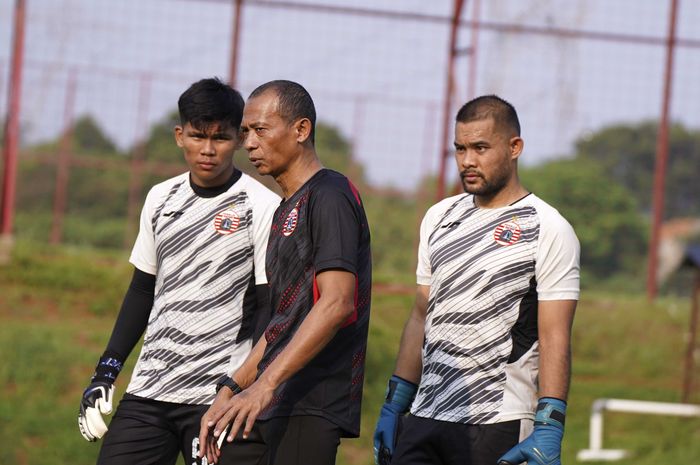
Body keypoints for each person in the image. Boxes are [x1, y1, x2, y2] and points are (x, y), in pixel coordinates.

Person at [77, 77, 280, 465]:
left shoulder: (262, 205)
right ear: (179, 135)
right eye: (197, 136)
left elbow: (267, 307)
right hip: (150, 389)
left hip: (219, 397)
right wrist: (105, 372)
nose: (207, 150)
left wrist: (242, 388)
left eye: (220, 138)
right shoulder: (160, 198)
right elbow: (142, 290)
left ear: (238, 139)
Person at [373, 95, 580, 465]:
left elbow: (554, 335)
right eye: (460, 148)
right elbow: (420, 316)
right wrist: (395, 404)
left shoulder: (548, 227)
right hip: (424, 416)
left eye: (481, 148)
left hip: (496, 420)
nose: (467, 161)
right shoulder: (438, 216)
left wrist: (551, 426)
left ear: (514, 147)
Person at [197, 80, 372, 465]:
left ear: (301, 130)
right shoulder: (283, 211)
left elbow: (338, 303)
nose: (249, 143)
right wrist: (232, 386)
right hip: (271, 401)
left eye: (261, 129)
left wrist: (266, 385)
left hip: (310, 403)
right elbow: (282, 323)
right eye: (245, 132)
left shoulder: (331, 194)